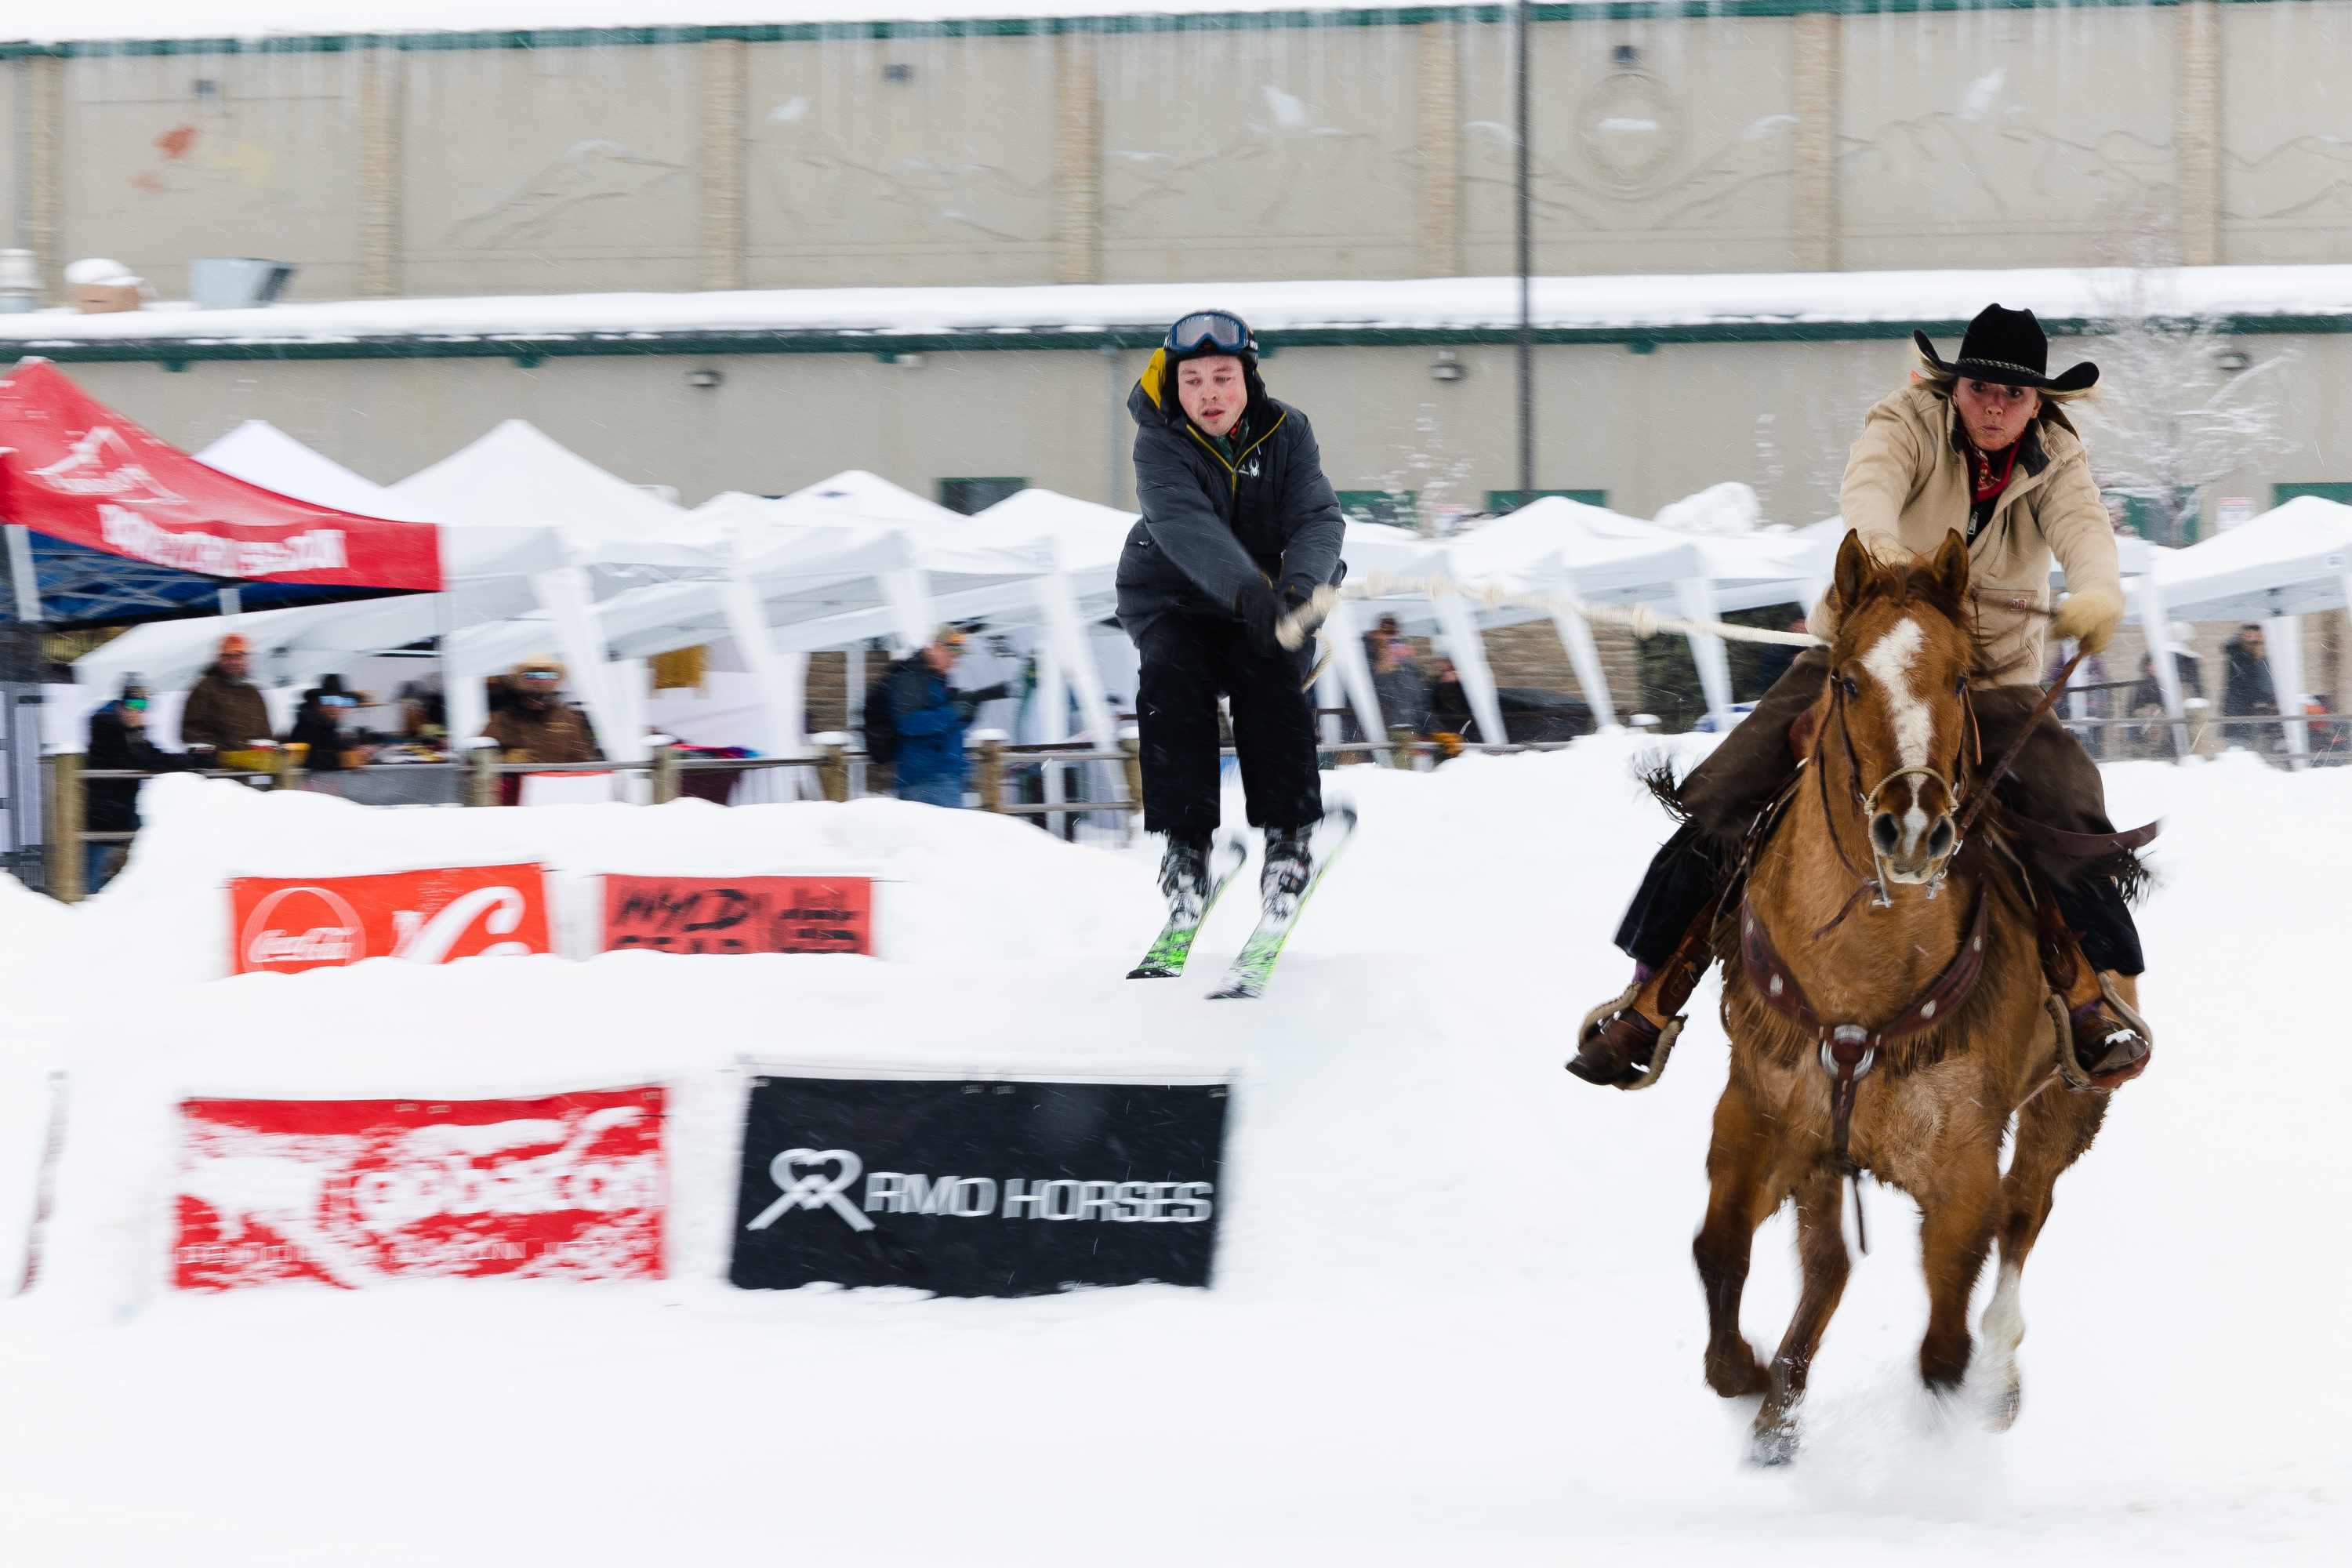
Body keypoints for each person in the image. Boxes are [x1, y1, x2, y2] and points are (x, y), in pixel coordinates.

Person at [1570, 303, 2151, 1093]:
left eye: (2013, 397)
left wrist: (2098, 589)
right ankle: (1648, 998)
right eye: (1980, 387)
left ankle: (2096, 993)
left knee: (2071, 801)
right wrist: (1887, 565)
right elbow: (1869, 484)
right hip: (1870, 650)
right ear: (1956, 385)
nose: (1993, 407)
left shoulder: (2057, 456)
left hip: (1984, 676)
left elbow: (2084, 527)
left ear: (2039, 403)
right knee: (1726, 787)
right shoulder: (1905, 419)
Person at [1118, 309, 1345, 916]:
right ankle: (1186, 846)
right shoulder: (1158, 443)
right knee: (1171, 675)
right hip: (1176, 599)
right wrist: (1246, 589)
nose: (1209, 394)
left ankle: (1289, 837)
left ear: (1248, 377)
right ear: (1174, 386)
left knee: (1272, 671)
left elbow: (1317, 518)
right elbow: (1184, 526)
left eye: (1223, 377)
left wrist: (1297, 592)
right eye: (1193, 381)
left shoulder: (1289, 432)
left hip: (1270, 600)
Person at [887, 627, 1009, 809]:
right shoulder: (912, 676)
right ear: (936, 647)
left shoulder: (934, 678)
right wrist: (953, 713)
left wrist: (967, 714)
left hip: (943, 774)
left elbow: (943, 725)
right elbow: (908, 723)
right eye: (952, 656)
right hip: (928, 778)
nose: (955, 663)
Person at [83, 681, 177, 892]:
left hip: (122, 821)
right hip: (98, 823)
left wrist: (194, 762)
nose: (137, 712)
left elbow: (154, 756)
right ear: (120, 706)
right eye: (132, 705)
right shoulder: (105, 730)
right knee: (86, 889)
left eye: (143, 706)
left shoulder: (134, 734)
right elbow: (136, 759)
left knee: (124, 887)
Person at [481, 656, 602, 764]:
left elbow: (584, 759)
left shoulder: (568, 718)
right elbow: (477, 755)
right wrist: (504, 760)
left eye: (547, 675)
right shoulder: (502, 718)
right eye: (531, 675)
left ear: (555, 681)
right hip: (520, 787)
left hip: (560, 785)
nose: (539, 680)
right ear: (519, 681)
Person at [178, 633, 273, 755]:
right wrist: (225, 752)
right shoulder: (206, 687)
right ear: (219, 660)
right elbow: (189, 730)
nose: (234, 662)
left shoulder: (253, 693)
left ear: (246, 660)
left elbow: (264, 735)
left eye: (238, 656)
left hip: (249, 768)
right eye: (228, 656)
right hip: (216, 770)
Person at [2221, 623, 2278, 750]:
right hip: (2240, 716)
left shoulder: (2249, 655)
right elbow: (2246, 687)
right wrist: (2271, 700)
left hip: (2249, 716)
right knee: (2242, 753)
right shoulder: (2240, 657)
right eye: (2249, 631)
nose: (2254, 635)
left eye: (2258, 631)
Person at [288, 676, 358, 773]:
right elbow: (301, 759)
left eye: (340, 701)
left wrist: (352, 750)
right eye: (327, 700)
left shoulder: (327, 727)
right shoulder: (305, 728)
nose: (333, 706)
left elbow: (333, 745)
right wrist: (341, 759)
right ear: (315, 703)